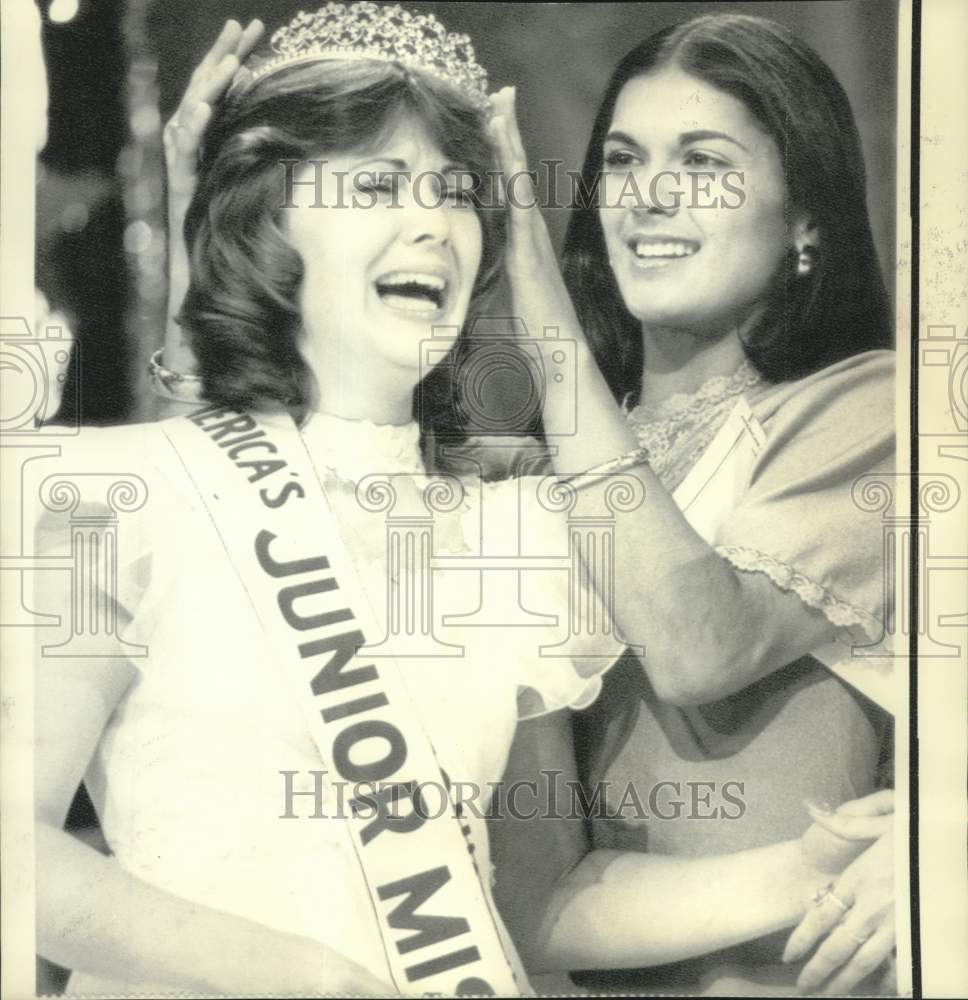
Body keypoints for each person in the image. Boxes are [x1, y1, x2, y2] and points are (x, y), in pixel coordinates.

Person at [41, 5, 888, 996]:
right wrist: (311, 976)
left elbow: (533, 896)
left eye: (453, 190)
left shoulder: (516, 530)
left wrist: (829, 864)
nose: (430, 221)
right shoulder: (110, 500)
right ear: (259, 221)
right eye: (374, 183)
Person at [485, 11, 898, 996]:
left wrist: (542, 321)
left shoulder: (867, 407)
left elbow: (696, 645)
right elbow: (533, 907)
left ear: (804, 220)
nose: (648, 197)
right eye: (621, 161)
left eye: (704, 162)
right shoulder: (529, 485)